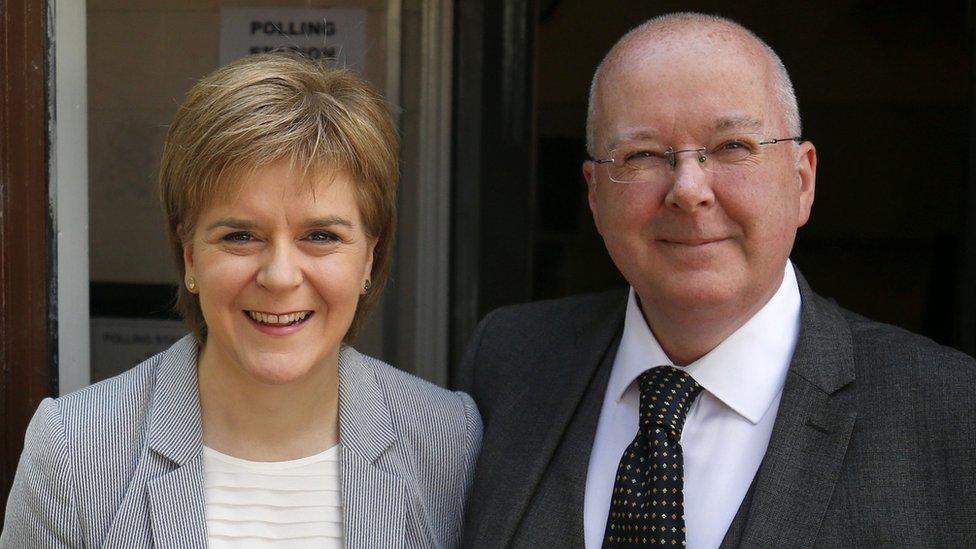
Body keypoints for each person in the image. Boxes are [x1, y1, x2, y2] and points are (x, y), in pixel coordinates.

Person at [457, 12, 976, 549]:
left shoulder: (951, 412)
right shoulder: (508, 362)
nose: (688, 189)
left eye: (733, 148)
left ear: (802, 180)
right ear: (594, 193)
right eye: (643, 155)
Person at [2, 53, 481, 548]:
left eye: (319, 235)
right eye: (240, 236)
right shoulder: (73, 450)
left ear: (368, 259)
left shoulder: (448, 442)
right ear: (189, 255)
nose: (279, 276)